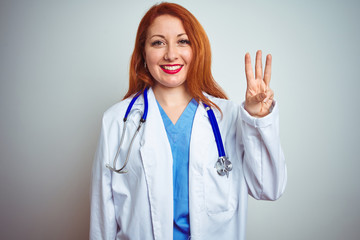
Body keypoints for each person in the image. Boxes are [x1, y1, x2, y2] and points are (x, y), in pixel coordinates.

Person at [90, 2, 287, 240]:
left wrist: (258, 118)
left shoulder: (228, 117)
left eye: (182, 41)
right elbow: (102, 220)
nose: (171, 54)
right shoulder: (117, 121)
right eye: (158, 42)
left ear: (196, 49)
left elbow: (268, 188)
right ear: (144, 51)